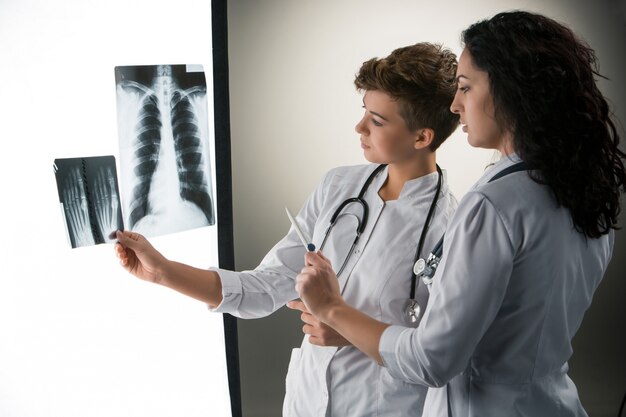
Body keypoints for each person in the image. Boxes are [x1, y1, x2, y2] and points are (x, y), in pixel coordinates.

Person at [295, 11, 626, 417]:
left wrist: (332, 308)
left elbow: (431, 360)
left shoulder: (493, 205)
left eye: (466, 88)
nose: (455, 105)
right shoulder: (585, 189)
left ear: (511, 91)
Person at [114, 43, 460, 416]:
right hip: (305, 402)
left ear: (422, 137)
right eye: (364, 112)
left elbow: (440, 354)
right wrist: (163, 272)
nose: (358, 127)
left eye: (377, 121)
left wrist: (351, 333)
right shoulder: (339, 187)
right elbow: (264, 289)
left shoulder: (453, 226)